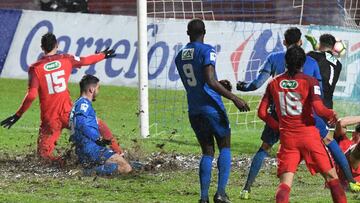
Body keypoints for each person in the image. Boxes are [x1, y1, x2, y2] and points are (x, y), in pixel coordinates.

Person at [0, 32, 122, 164]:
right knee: (99, 125)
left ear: (42, 47)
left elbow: (32, 95)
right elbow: (85, 60)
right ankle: (118, 152)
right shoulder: (66, 59)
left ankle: (67, 164)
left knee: (43, 156)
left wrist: (18, 115)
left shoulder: (35, 68)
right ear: (57, 45)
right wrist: (102, 55)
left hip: (50, 119)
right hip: (68, 113)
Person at [258, 45, 346, 203]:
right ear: (303, 63)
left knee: (285, 185)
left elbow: (262, 113)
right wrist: (330, 113)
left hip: (288, 139)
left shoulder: (274, 83)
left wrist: (278, 126)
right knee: (332, 179)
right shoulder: (310, 82)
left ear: (286, 62)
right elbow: (319, 109)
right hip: (309, 137)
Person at [175, 18, 250, 203]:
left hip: (194, 108)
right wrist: (234, 98)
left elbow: (199, 80)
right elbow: (209, 80)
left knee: (207, 151)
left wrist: (217, 82)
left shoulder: (179, 56)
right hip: (212, 107)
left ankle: (203, 198)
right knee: (225, 145)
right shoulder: (207, 50)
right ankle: (221, 194)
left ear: (187, 33)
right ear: (205, 32)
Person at [69, 74, 132, 175]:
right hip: (91, 149)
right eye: (98, 88)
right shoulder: (83, 104)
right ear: (91, 89)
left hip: (84, 149)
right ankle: (84, 173)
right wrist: (98, 138)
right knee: (125, 167)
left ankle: (88, 170)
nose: (98, 91)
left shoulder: (78, 103)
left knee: (129, 164)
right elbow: (81, 123)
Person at [332, 116, 360, 188]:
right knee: (354, 153)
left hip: (357, 188)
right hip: (339, 187)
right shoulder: (343, 142)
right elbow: (341, 123)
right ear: (354, 134)